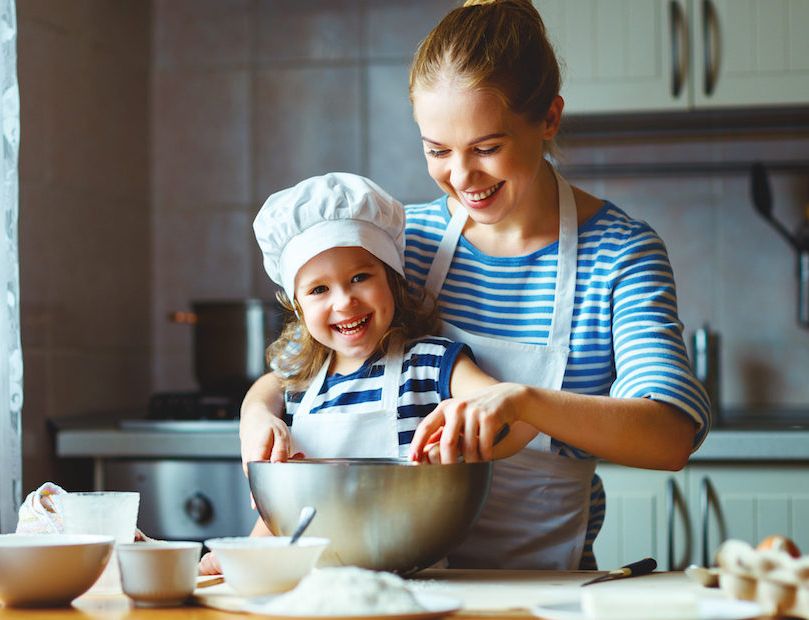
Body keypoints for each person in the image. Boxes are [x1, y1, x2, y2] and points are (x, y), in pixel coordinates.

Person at [238, 0, 710, 571]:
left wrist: (523, 401)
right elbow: (306, 368)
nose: (462, 179)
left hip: (545, 590)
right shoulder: (405, 246)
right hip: (400, 586)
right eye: (438, 152)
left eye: (488, 148)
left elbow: (670, 434)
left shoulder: (619, 255)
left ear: (549, 119)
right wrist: (257, 414)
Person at [198, 171, 507, 575]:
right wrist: (243, 558)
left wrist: (464, 433)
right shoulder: (302, 387)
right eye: (318, 290)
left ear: (391, 280)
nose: (344, 301)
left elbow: (501, 404)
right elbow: (289, 508)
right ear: (297, 306)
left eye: (360, 277)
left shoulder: (429, 363)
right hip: (315, 587)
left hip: (415, 581)